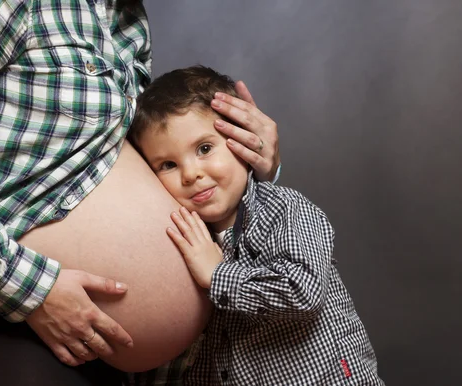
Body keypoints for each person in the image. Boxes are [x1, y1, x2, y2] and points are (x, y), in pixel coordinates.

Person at [0, 1, 280, 385]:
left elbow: (154, 160)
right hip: (7, 316)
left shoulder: (126, 18)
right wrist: (26, 288)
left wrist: (251, 165)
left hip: (121, 356)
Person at [128, 65, 384, 385]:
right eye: (168, 164)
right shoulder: (195, 238)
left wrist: (217, 273)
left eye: (204, 148)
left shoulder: (284, 209)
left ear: (242, 140)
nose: (190, 174)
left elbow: (302, 290)